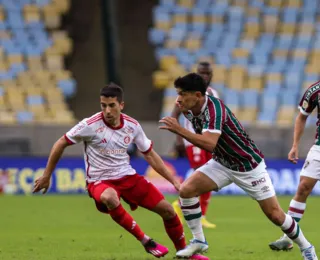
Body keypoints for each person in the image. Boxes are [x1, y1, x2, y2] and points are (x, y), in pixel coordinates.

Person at [33, 83, 208, 260]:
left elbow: (150, 155)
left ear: (121, 105)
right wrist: (47, 175)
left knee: (168, 211)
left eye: (112, 105)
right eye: (103, 105)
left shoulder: (132, 126)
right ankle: (146, 241)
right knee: (109, 198)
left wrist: (174, 181)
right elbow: (60, 143)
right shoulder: (90, 125)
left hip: (127, 177)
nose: (107, 111)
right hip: (99, 181)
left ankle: (185, 255)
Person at [159, 73, 318, 260]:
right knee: (186, 190)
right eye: (178, 93)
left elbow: (209, 144)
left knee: (275, 215)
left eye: (183, 94)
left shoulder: (214, 109)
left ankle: (307, 248)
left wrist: (179, 129)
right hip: (222, 163)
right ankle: (199, 241)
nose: (178, 99)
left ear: (198, 95)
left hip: (248, 166)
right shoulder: (188, 109)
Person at [269, 80, 320, 252]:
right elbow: (302, 117)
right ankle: (288, 237)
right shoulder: (315, 90)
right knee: (303, 187)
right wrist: (295, 145)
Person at [172, 62, 218, 229]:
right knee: (201, 173)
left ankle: (202, 214)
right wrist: (178, 140)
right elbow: (174, 115)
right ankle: (179, 203)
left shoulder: (214, 93)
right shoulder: (188, 94)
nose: (205, 76)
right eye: (201, 73)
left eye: (207, 73)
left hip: (209, 141)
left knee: (210, 176)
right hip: (194, 141)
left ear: (211, 75)